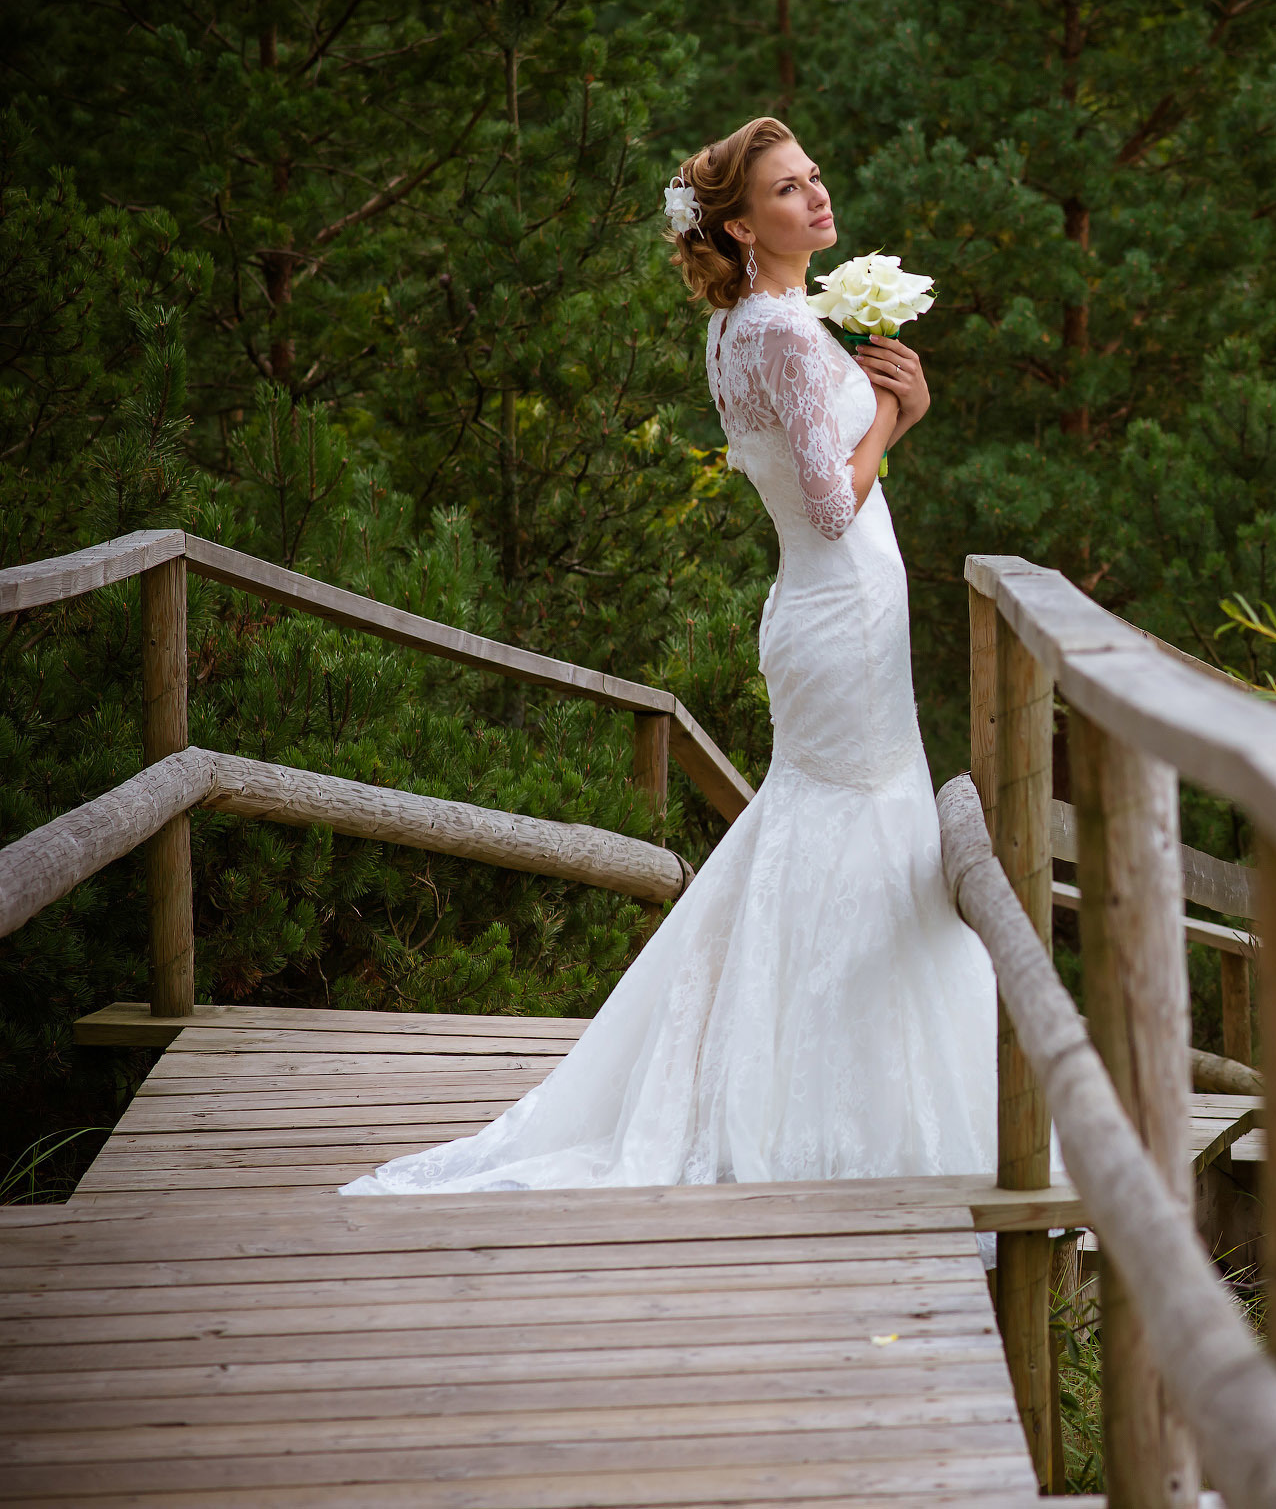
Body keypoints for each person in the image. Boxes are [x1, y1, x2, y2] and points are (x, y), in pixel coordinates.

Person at [342, 117, 997, 1195]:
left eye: (816, 177)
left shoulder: (751, 322)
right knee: (854, 831)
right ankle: (847, 1118)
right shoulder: (781, 334)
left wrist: (878, 419)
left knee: (831, 834)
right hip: (836, 609)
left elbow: (810, 481)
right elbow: (833, 505)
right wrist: (894, 411)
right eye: (790, 191)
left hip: (830, 616)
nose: (817, 199)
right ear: (741, 225)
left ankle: (811, 1089)